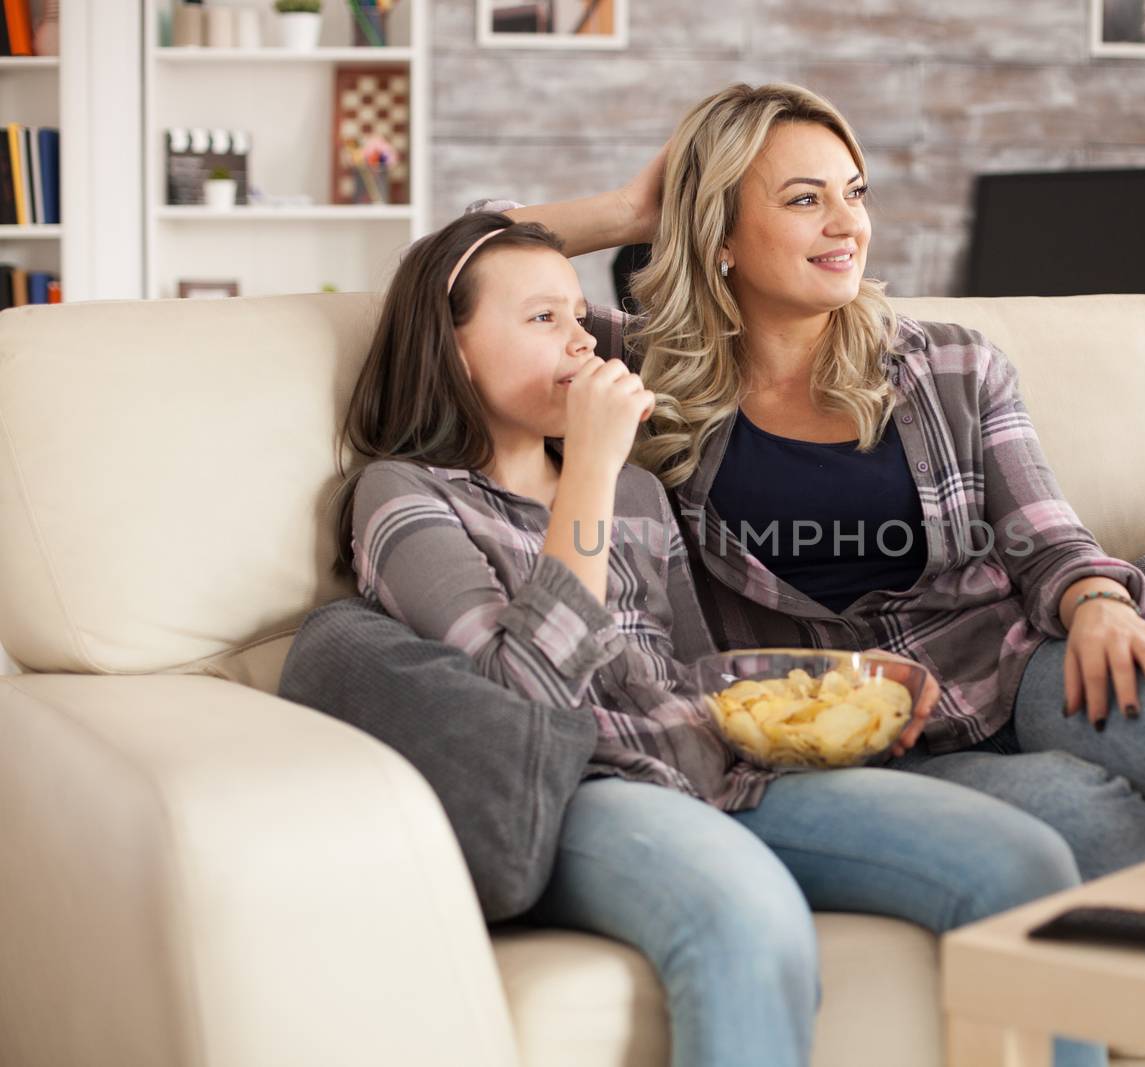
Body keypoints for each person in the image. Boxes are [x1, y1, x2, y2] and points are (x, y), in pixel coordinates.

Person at [484, 81, 1145, 889]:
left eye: (855, 192)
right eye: (806, 200)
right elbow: (457, 267)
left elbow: (1048, 537)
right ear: (720, 234)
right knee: (1097, 830)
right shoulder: (639, 373)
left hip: (1015, 670)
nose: (848, 224)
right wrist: (633, 211)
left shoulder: (953, 364)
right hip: (869, 742)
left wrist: (1098, 604)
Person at [333, 211, 1101, 1067]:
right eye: (541, 319)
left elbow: (691, 672)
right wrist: (586, 465)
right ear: (452, 345)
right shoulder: (406, 496)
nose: (580, 340)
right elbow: (527, 703)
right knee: (747, 915)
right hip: (581, 789)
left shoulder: (631, 491)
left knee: (1023, 866)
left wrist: (836, 692)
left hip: (719, 770)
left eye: (578, 316)